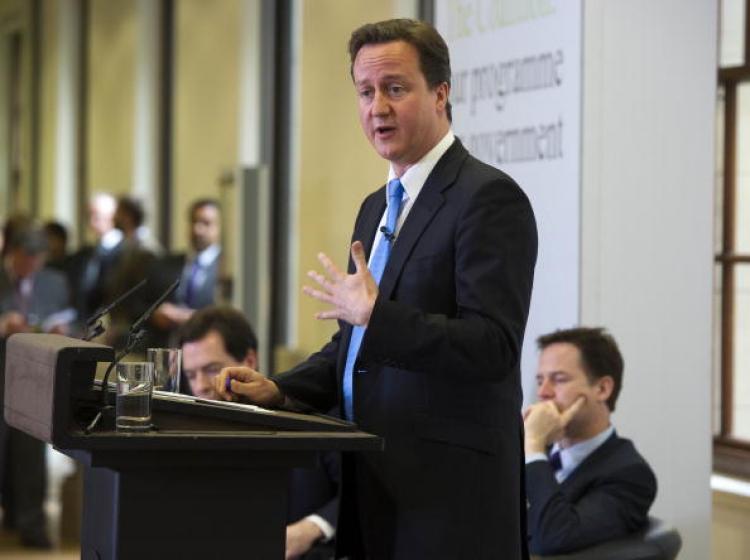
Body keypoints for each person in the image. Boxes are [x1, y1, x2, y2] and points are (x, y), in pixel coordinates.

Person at [213, 18, 537, 559]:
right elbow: (355, 347)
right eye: (365, 92)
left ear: (440, 93)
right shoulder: (375, 207)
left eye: (394, 89)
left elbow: (492, 346)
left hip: (450, 502)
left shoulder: (488, 199)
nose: (377, 108)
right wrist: (279, 390)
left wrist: (377, 317)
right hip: (372, 486)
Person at [178, 307, 339, 559]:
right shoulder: (181, 436)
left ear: (249, 362)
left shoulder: (310, 417)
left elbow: (363, 492)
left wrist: (314, 526)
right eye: (190, 375)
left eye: (211, 370)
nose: (200, 386)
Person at [524, 327, 657, 555]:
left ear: (602, 389)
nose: (543, 393)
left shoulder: (630, 474)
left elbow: (554, 537)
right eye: (540, 381)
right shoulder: (529, 450)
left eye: (559, 380)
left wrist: (533, 444)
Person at [0, 223, 72, 549]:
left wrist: (63, 329)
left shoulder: (55, 282)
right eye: (24, 257)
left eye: (36, 259)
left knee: (30, 449)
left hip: (34, 375)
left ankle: (30, 522)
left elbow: (76, 316)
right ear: (12, 253)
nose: (29, 265)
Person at [145, 199, 223, 348]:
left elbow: (229, 314)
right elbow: (143, 304)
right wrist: (156, 314)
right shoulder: (166, 264)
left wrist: (187, 316)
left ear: (219, 227)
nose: (197, 229)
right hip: (168, 350)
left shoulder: (226, 268)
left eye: (206, 223)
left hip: (210, 351)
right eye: (194, 221)